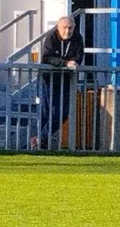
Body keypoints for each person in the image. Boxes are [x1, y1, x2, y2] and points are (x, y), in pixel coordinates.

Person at [36, 16, 85, 149]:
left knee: (63, 112)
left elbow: (79, 57)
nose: (67, 31)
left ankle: (41, 138)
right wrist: (65, 63)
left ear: (74, 28)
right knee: (45, 112)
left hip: (66, 80)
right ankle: (41, 143)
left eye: (70, 28)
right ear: (58, 27)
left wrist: (72, 62)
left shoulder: (78, 38)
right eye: (64, 28)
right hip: (48, 79)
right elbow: (47, 57)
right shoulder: (51, 37)